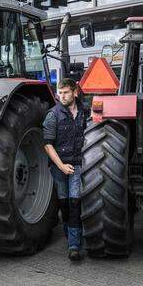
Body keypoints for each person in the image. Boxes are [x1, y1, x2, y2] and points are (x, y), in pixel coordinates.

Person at [42, 78, 87, 261]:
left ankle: (74, 245)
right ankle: (72, 238)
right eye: (60, 93)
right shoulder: (53, 115)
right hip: (60, 166)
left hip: (77, 165)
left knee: (75, 202)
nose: (62, 96)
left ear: (75, 92)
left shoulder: (85, 112)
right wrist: (61, 165)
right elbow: (47, 145)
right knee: (65, 205)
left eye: (66, 92)